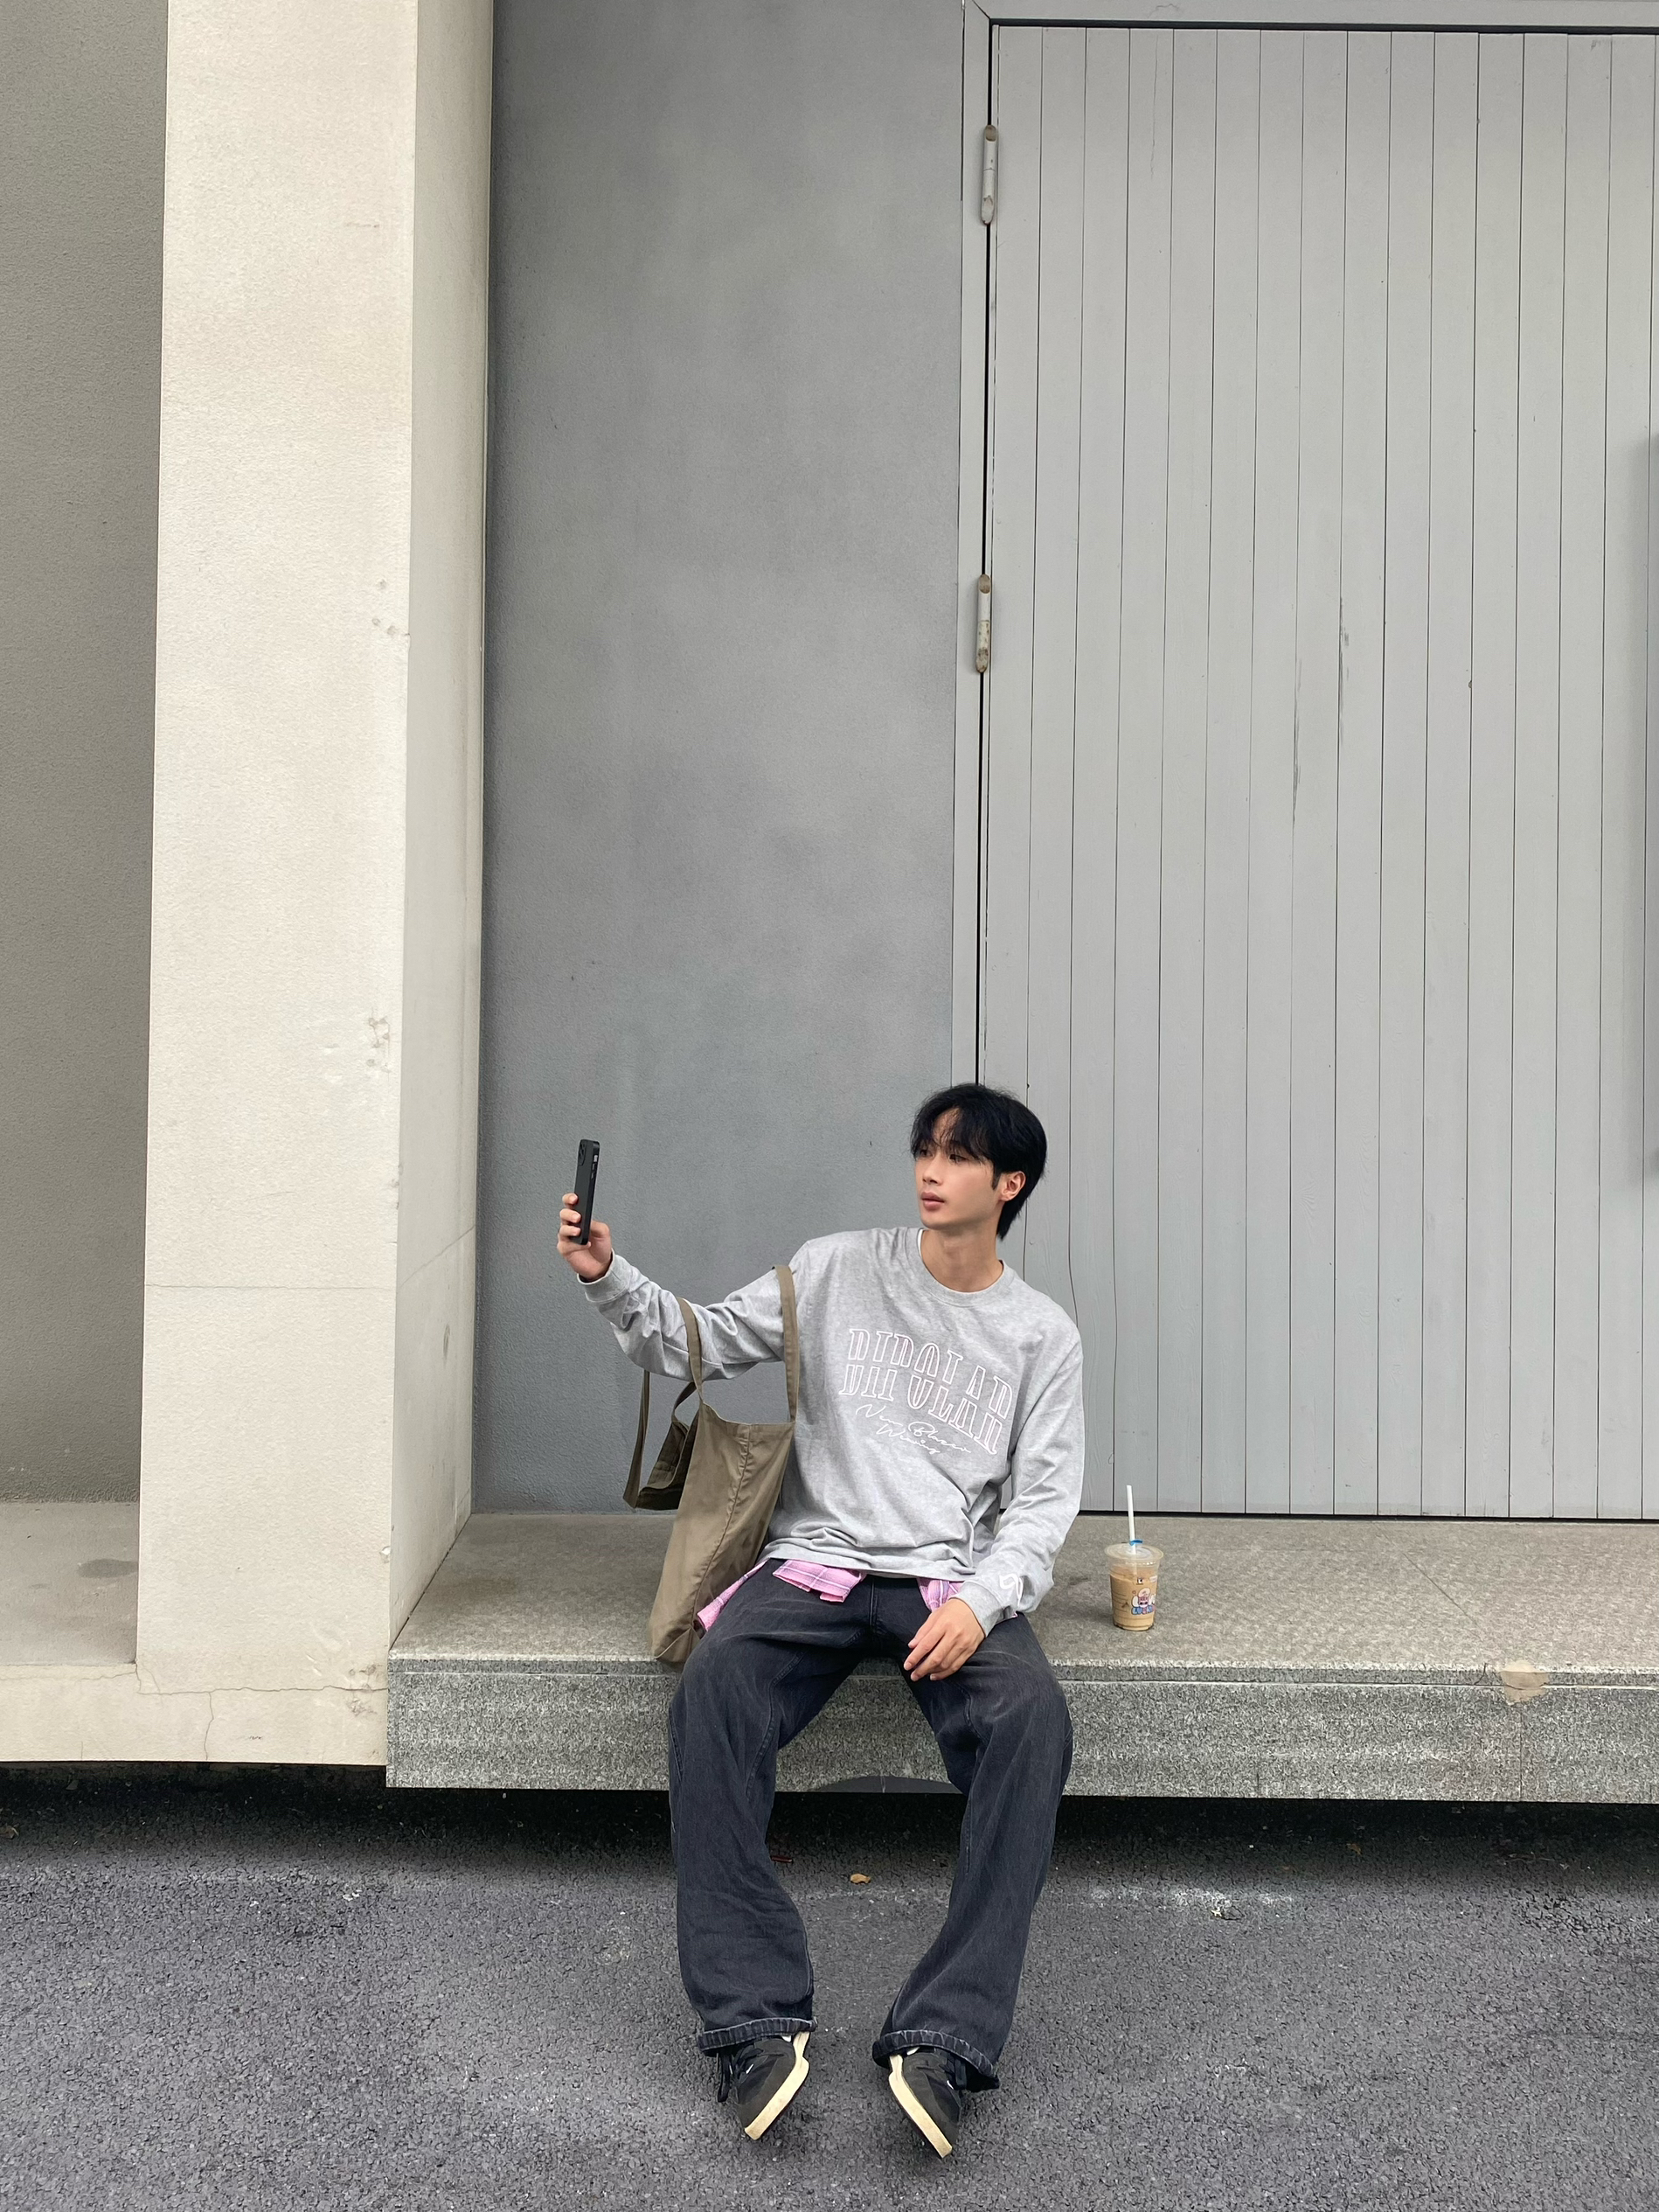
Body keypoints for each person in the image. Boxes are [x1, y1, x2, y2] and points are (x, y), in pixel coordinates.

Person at [557, 1082, 1083, 2158]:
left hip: (944, 1583)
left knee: (1032, 1722)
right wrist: (609, 1276)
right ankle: (751, 2019)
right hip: (815, 1567)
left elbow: (1039, 1508)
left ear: (1009, 1183)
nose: (929, 1170)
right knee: (713, 1692)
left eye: (957, 1156)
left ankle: (945, 2037)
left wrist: (980, 1602)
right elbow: (697, 1341)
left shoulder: (1039, 1335)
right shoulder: (837, 1269)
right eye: (924, 1148)